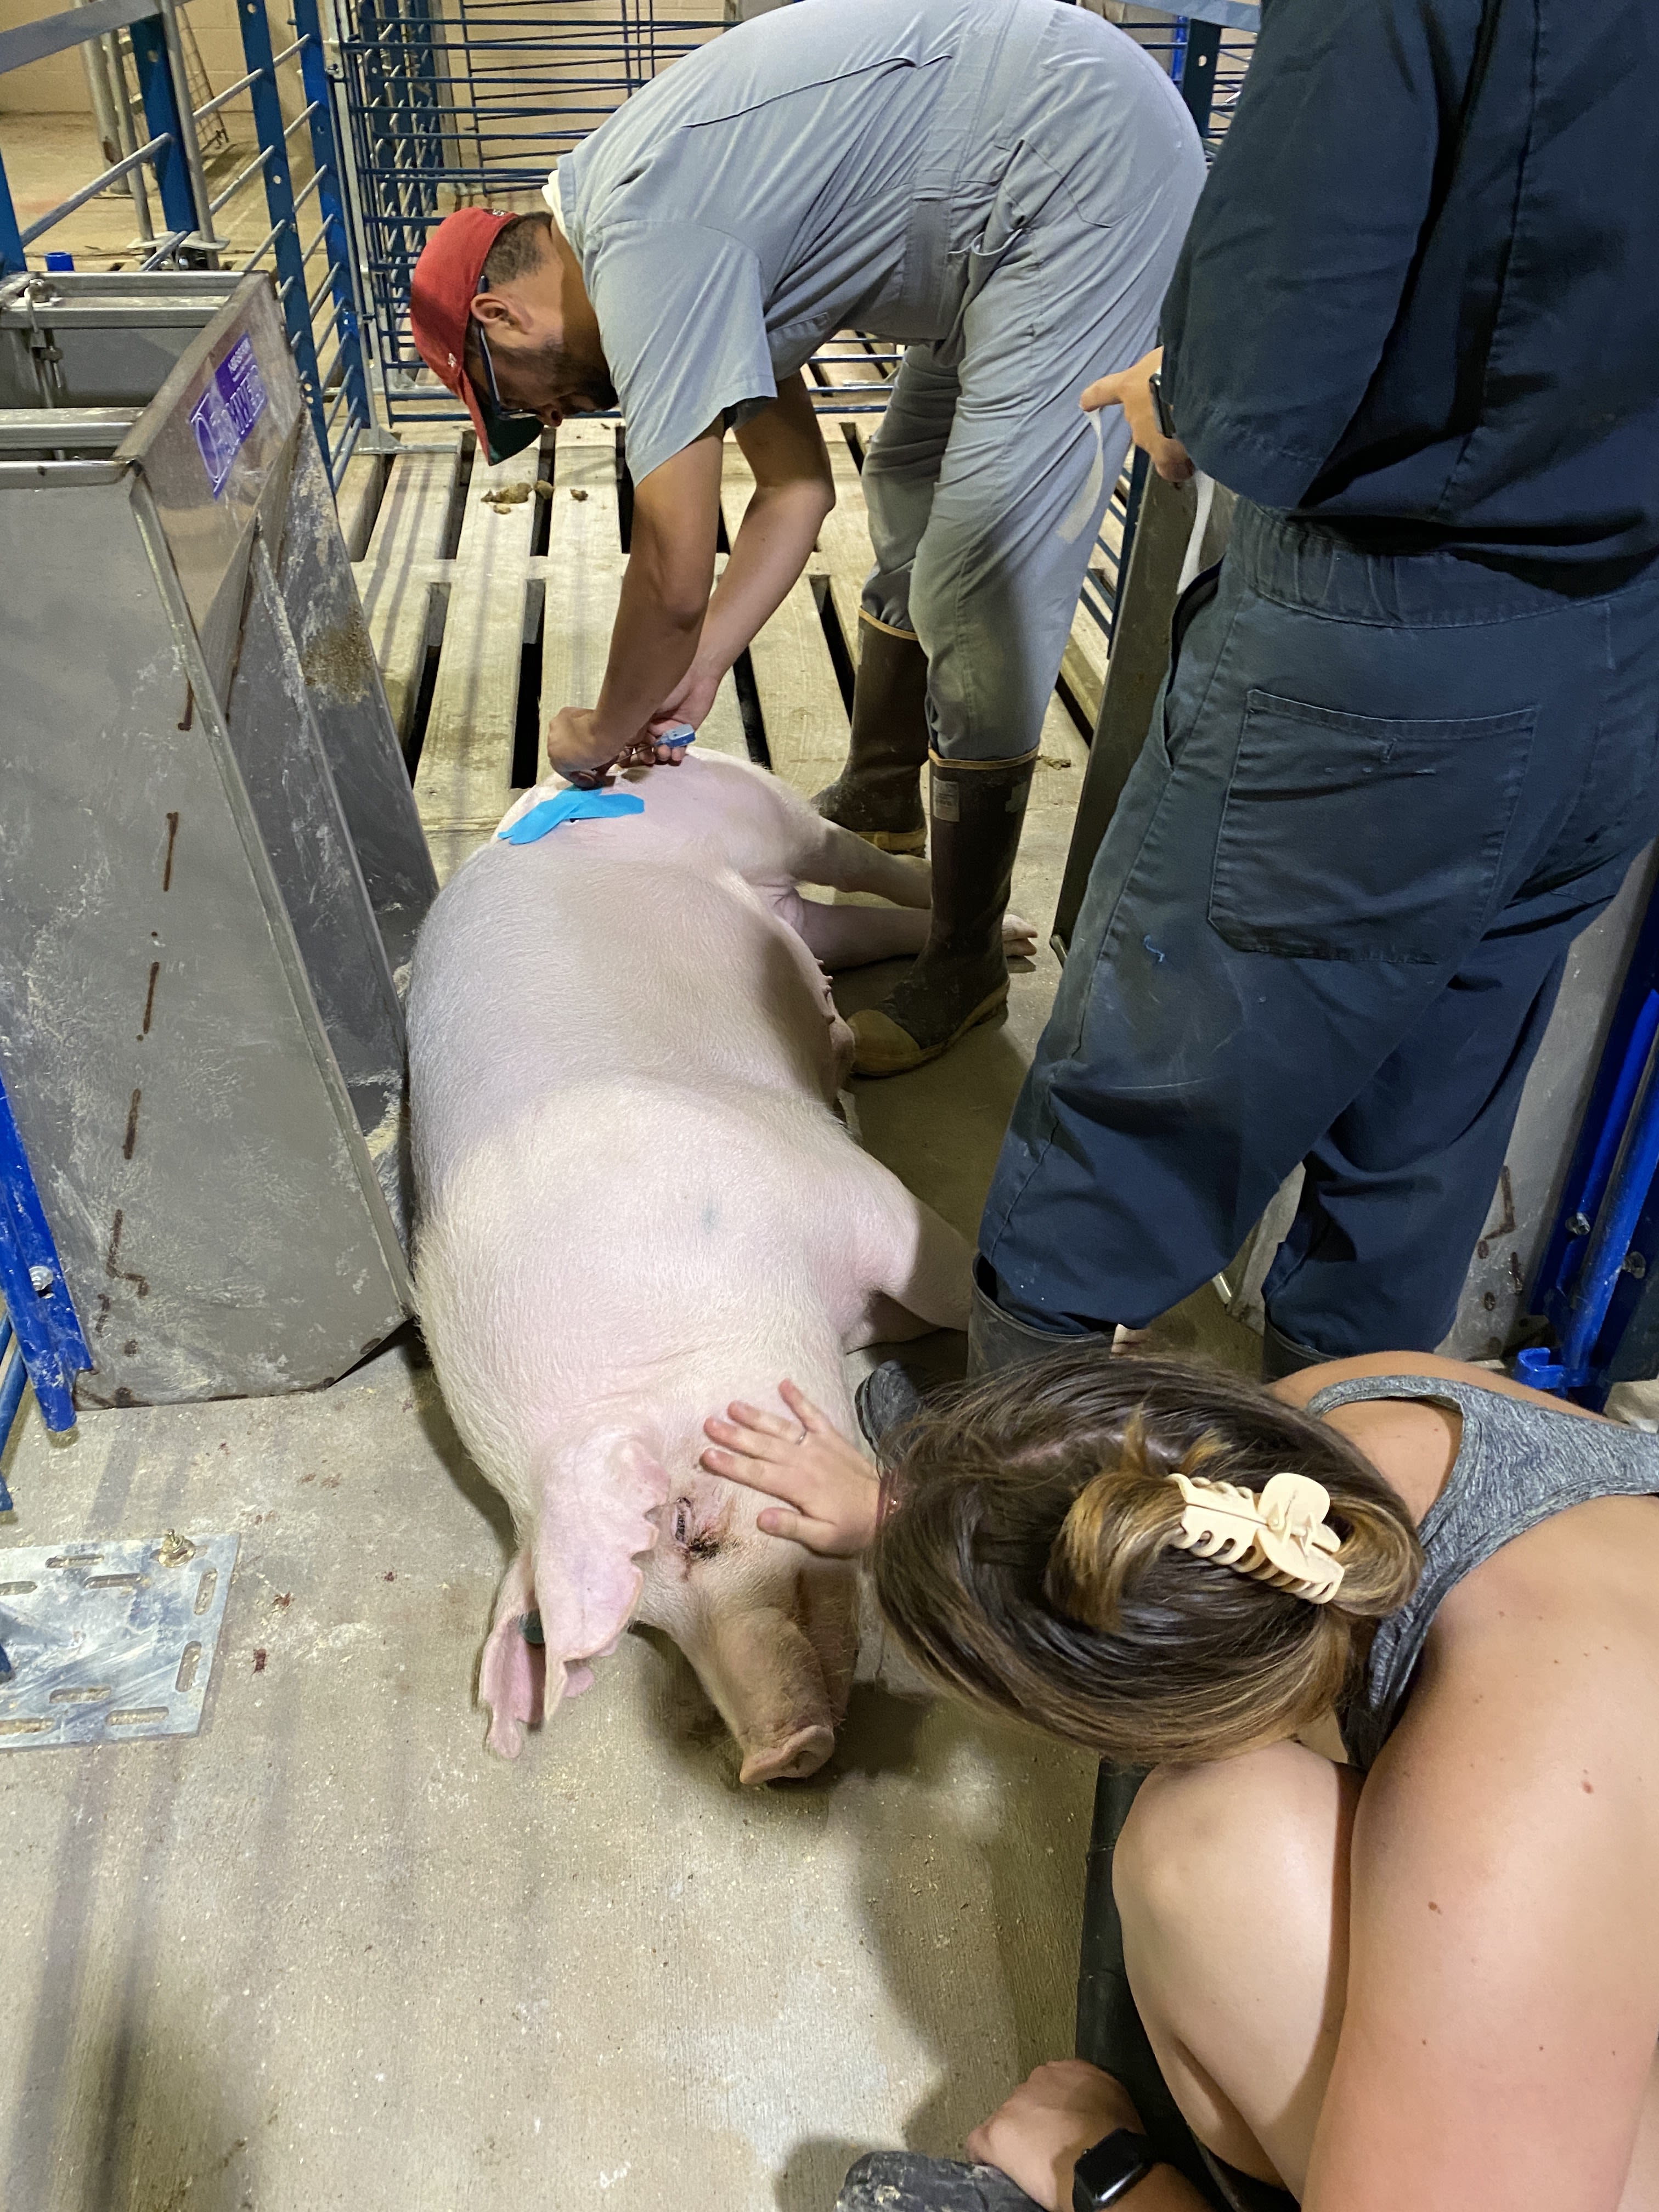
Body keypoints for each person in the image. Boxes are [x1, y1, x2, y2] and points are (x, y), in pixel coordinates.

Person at [969, 0, 1659, 1380]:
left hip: (1389, 645)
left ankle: (1007, 1517)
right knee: (1429, 1128)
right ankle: (1330, 1528)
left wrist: (1189, 383)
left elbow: (1257, 366)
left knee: (1147, 1096)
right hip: (1622, 648)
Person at [407, 0, 1205, 1074]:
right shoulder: (650, 227)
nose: (548, 421)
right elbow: (794, 491)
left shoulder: (646, 243)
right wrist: (697, 673)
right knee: (906, 472)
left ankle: (965, 956)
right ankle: (885, 795)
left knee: (979, 565)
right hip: (1010, 179)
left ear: (502, 319)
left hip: (1081, 171)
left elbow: (674, 556)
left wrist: (606, 726)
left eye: (517, 402)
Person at [700, 1348, 1659, 2212]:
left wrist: (1102, 2169)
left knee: (1203, 1854)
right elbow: (1137, 1515)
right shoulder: (1338, 1420)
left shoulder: (1509, 1826)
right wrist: (926, 1521)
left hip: (1552, 1833)